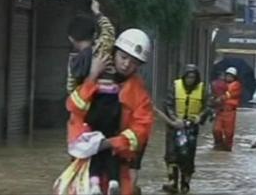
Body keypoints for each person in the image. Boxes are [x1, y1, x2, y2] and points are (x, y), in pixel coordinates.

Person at [66, 28, 154, 195]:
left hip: (119, 167)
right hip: (87, 163)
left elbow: (141, 131)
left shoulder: (139, 94)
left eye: (134, 62)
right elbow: (75, 110)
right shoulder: (94, 79)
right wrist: (92, 77)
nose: (127, 64)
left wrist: (110, 143)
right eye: (123, 57)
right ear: (114, 53)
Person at [162, 64, 208, 194]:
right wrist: (174, 119)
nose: (190, 80)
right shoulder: (175, 86)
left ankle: (185, 183)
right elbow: (168, 104)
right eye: (188, 77)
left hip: (191, 128)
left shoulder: (202, 89)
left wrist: (200, 116)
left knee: (188, 157)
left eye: (193, 77)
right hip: (174, 126)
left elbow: (207, 106)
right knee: (171, 155)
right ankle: (172, 181)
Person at [212, 67, 242, 151]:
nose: (228, 77)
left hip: (230, 112)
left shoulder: (236, 85)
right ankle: (218, 144)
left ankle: (227, 148)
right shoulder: (221, 84)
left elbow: (228, 94)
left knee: (229, 132)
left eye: (230, 76)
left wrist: (220, 97)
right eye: (227, 75)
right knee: (216, 130)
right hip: (220, 111)